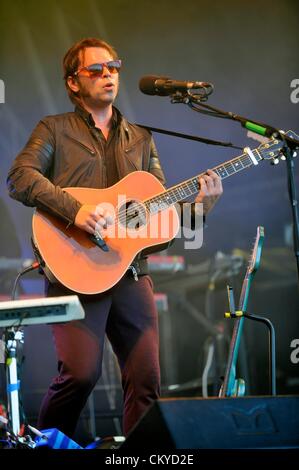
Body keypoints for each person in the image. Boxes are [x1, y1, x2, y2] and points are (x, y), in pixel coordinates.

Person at [6, 37, 223, 438]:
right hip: (74, 270)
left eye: (114, 67)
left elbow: (158, 224)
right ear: (73, 83)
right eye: (96, 69)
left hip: (129, 274)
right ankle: (47, 446)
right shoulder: (53, 129)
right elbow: (19, 179)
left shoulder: (141, 138)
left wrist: (198, 212)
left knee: (146, 382)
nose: (109, 74)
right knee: (80, 376)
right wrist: (79, 210)